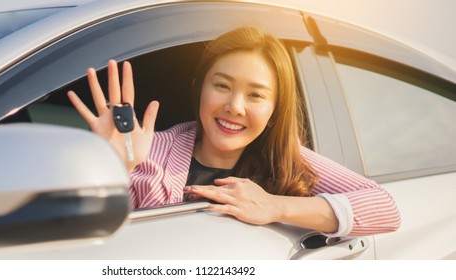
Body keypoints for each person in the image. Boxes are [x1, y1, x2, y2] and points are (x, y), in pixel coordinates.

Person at [67, 27, 401, 237]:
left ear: (273, 111)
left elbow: (385, 208)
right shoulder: (151, 149)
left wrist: (274, 206)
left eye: (255, 94)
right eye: (222, 86)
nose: (235, 106)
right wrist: (119, 168)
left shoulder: (289, 158)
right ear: (200, 88)